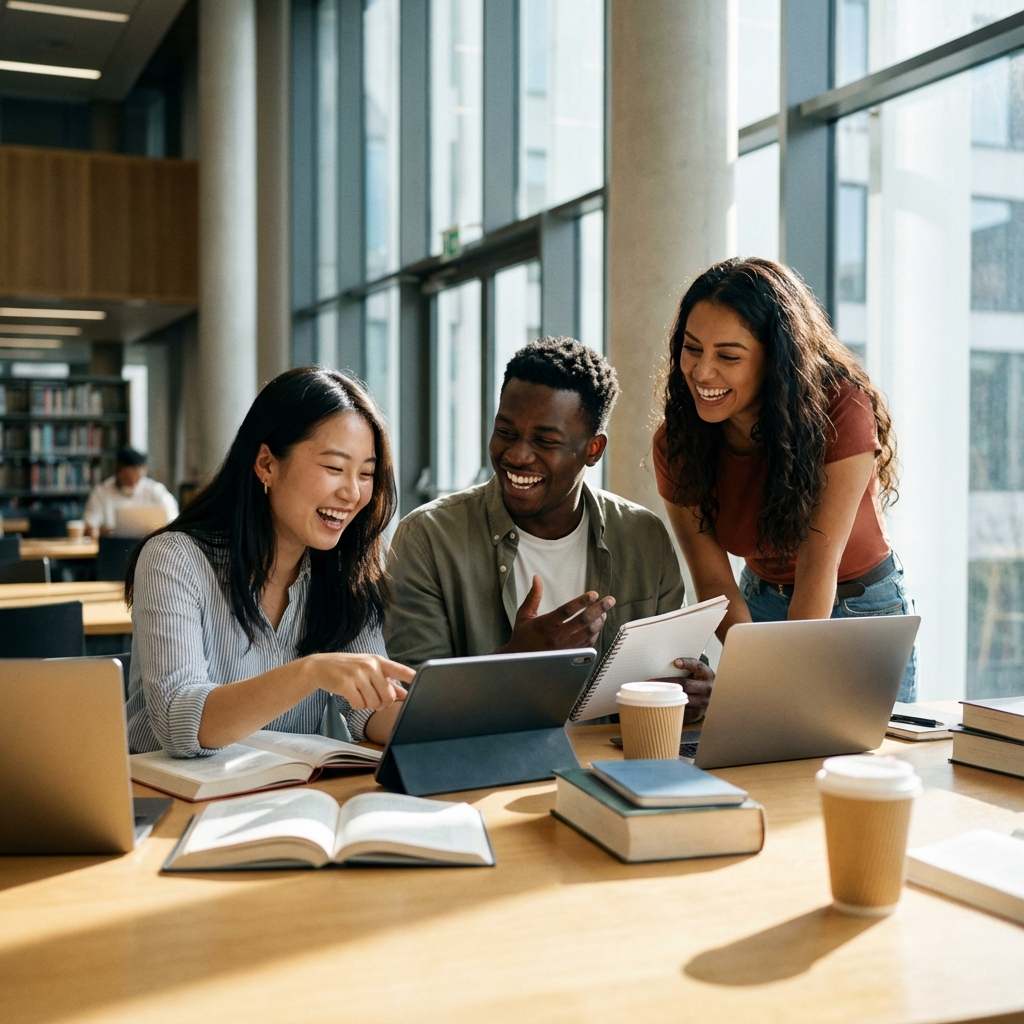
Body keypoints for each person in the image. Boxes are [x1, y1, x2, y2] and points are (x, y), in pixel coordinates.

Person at [385, 337, 714, 721]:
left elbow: (682, 674)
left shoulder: (643, 536)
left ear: (593, 449)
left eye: (545, 441)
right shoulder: (427, 538)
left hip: (614, 765)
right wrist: (515, 662)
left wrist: (696, 694)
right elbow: (411, 706)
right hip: (488, 769)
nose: (517, 456)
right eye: (506, 432)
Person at [653, 256, 916, 701]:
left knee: (868, 763)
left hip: (862, 608)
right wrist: (759, 672)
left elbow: (818, 566)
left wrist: (773, 683)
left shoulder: (841, 411)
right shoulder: (677, 445)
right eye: (692, 348)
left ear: (776, 360)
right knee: (768, 764)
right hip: (759, 603)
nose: (701, 372)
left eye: (728, 356)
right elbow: (714, 583)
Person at [124, 368, 415, 757]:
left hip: (281, 801)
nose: (353, 492)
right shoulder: (174, 559)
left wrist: (437, 721)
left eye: (366, 473)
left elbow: (369, 711)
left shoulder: (344, 569)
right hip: (170, 801)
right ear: (266, 465)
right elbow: (182, 722)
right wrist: (311, 671)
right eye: (334, 468)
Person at [83, 447, 179, 539]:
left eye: (138, 477)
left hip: (151, 544)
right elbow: (91, 526)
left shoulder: (156, 490)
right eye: (129, 476)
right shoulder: (101, 492)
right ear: (118, 471)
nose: (134, 481)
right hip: (115, 546)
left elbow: (174, 521)